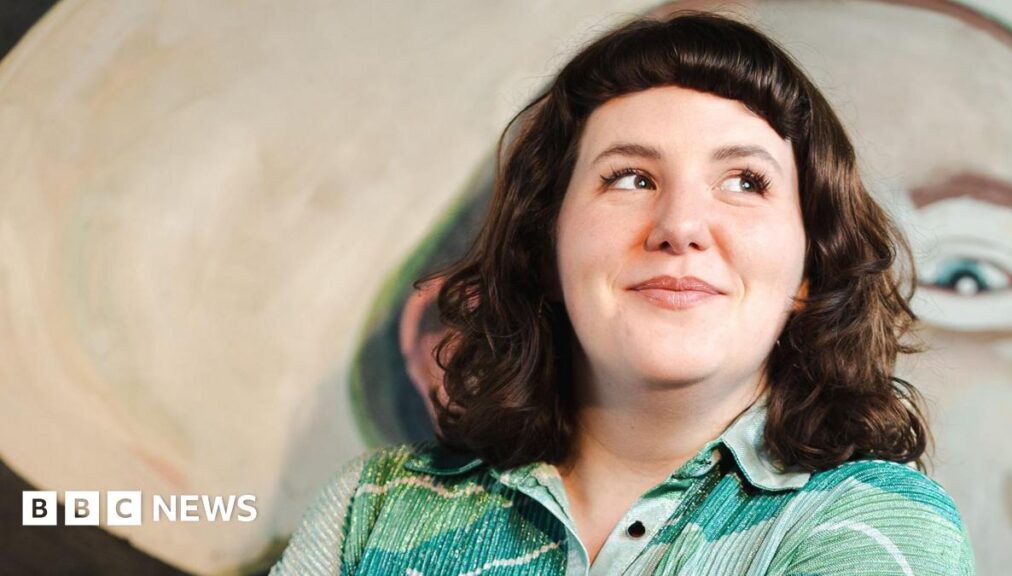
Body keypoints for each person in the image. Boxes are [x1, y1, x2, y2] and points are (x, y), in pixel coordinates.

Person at [271, 11, 974, 575]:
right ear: (546, 248)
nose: (680, 226)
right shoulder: (374, 505)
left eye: (746, 182)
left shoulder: (875, 529)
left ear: (808, 274)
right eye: (630, 178)